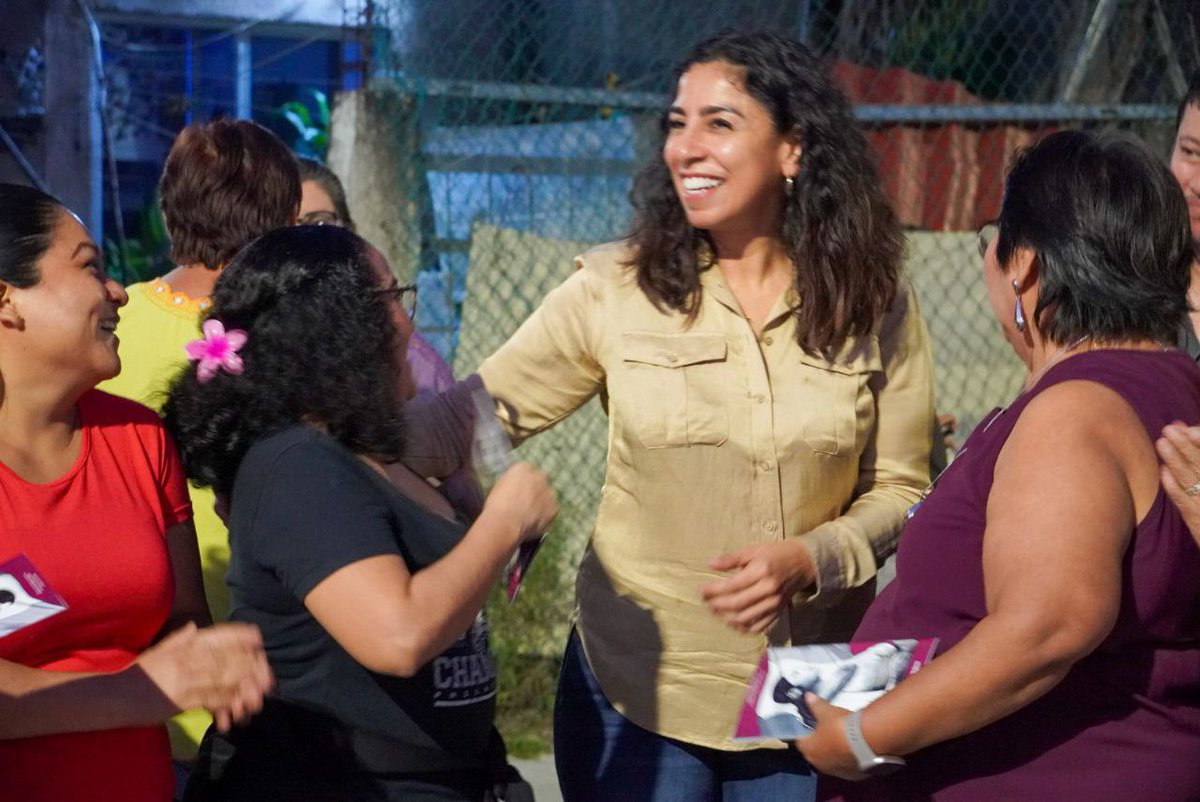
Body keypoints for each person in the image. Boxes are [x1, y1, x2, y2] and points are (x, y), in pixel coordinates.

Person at [410, 30, 935, 800]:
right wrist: (333, 444)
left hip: (813, 686)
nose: (685, 147)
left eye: (719, 123)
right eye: (677, 123)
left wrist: (814, 557)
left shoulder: (874, 296)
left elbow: (905, 486)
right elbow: (468, 419)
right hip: (639, 685)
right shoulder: (613, 289)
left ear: (793, 149)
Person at [797, 131, 1200, 800]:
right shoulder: (1172, 386)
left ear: (1027, 270)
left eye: (992, 237)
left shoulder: (1075, 411)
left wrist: (861, 739)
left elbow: (1049, 626)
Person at [162, 225, 557, 801]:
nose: (408, 321)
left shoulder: (356, 454)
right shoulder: (295, 465)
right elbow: (397, 636)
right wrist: (502, 523)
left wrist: (466, 511)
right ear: (339, 328)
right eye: (393, 298)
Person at [0, 182, 273, 801]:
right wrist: (139, 689)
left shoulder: (139, 439)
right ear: (6, 300)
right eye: (91, 268)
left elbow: (183, 627)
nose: (119, 290)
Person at [97, 118, 301, 757]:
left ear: (168, 211)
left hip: (136, 686)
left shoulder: (105, 329)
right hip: (277, 667)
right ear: (287, 218)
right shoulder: (295, 337)